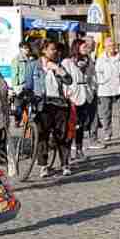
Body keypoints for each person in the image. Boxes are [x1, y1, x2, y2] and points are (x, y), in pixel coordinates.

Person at [32, 41, 75, 178]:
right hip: (43, 105)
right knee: (42, 135)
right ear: (44, 50)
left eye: (56, 50)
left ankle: (65, 163)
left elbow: (69, 81)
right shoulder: (34, 66)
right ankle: (44, 165)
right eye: (52, 49)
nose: (55, 52)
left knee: (62, 135)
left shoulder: (58, 64)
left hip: (60, 104)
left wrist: (58, 69)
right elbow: (28, 85)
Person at [63, 38, 99, 159]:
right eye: (84, 47)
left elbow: (94, 76)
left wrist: (93, 89)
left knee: (82, 124)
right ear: (77, 47)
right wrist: (67, 92)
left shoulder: (89, 61)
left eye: (87, 47)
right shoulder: (67, 62)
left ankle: (79, 149)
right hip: (73, 94)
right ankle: (67, 151)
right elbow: (64, 79)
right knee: (73, 123)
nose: (87, 49)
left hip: (86, 93)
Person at [94, 36, 120, 142]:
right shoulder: (101, 58)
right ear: (105, 47)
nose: (112, 47)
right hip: (105, 89)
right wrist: (103, 81)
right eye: (109, 46)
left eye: (113, 45)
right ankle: (107, 133)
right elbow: (97, 73)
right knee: (106, 113)